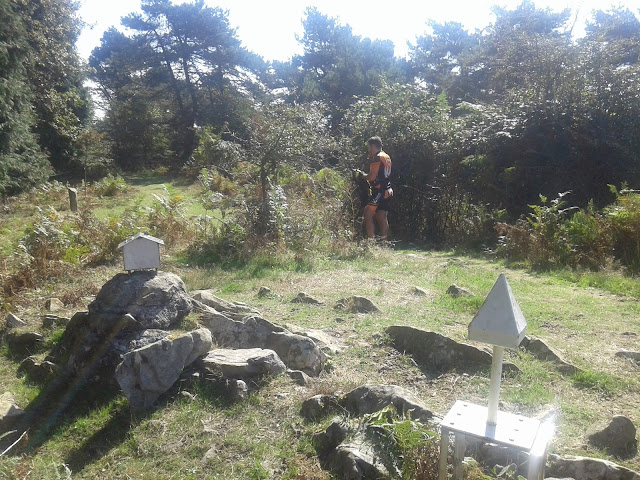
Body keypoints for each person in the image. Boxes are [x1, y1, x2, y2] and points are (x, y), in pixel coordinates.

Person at [354, 136, 393, 240]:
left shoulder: (377, 158)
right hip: (387, 190)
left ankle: (371, 243)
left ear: (372, 146)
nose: (368, 150)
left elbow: (372, 177)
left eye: (368, 147)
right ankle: (384, 243)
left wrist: (361, 175)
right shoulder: (386, 156)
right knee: (381, 216)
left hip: (380, 191)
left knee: (367, 215)